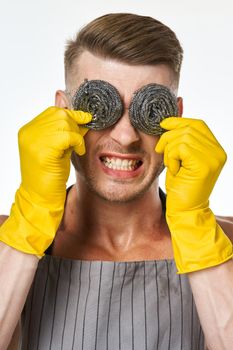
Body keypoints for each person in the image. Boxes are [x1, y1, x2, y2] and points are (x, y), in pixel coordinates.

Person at [0, 13, 233, 350]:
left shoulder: (224, 245)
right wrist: (30, 219)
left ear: (177, 118)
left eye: (149, 109)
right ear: (62, 111)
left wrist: (194, 228)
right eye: (99, 109)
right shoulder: (8, 246)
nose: (125, 136)